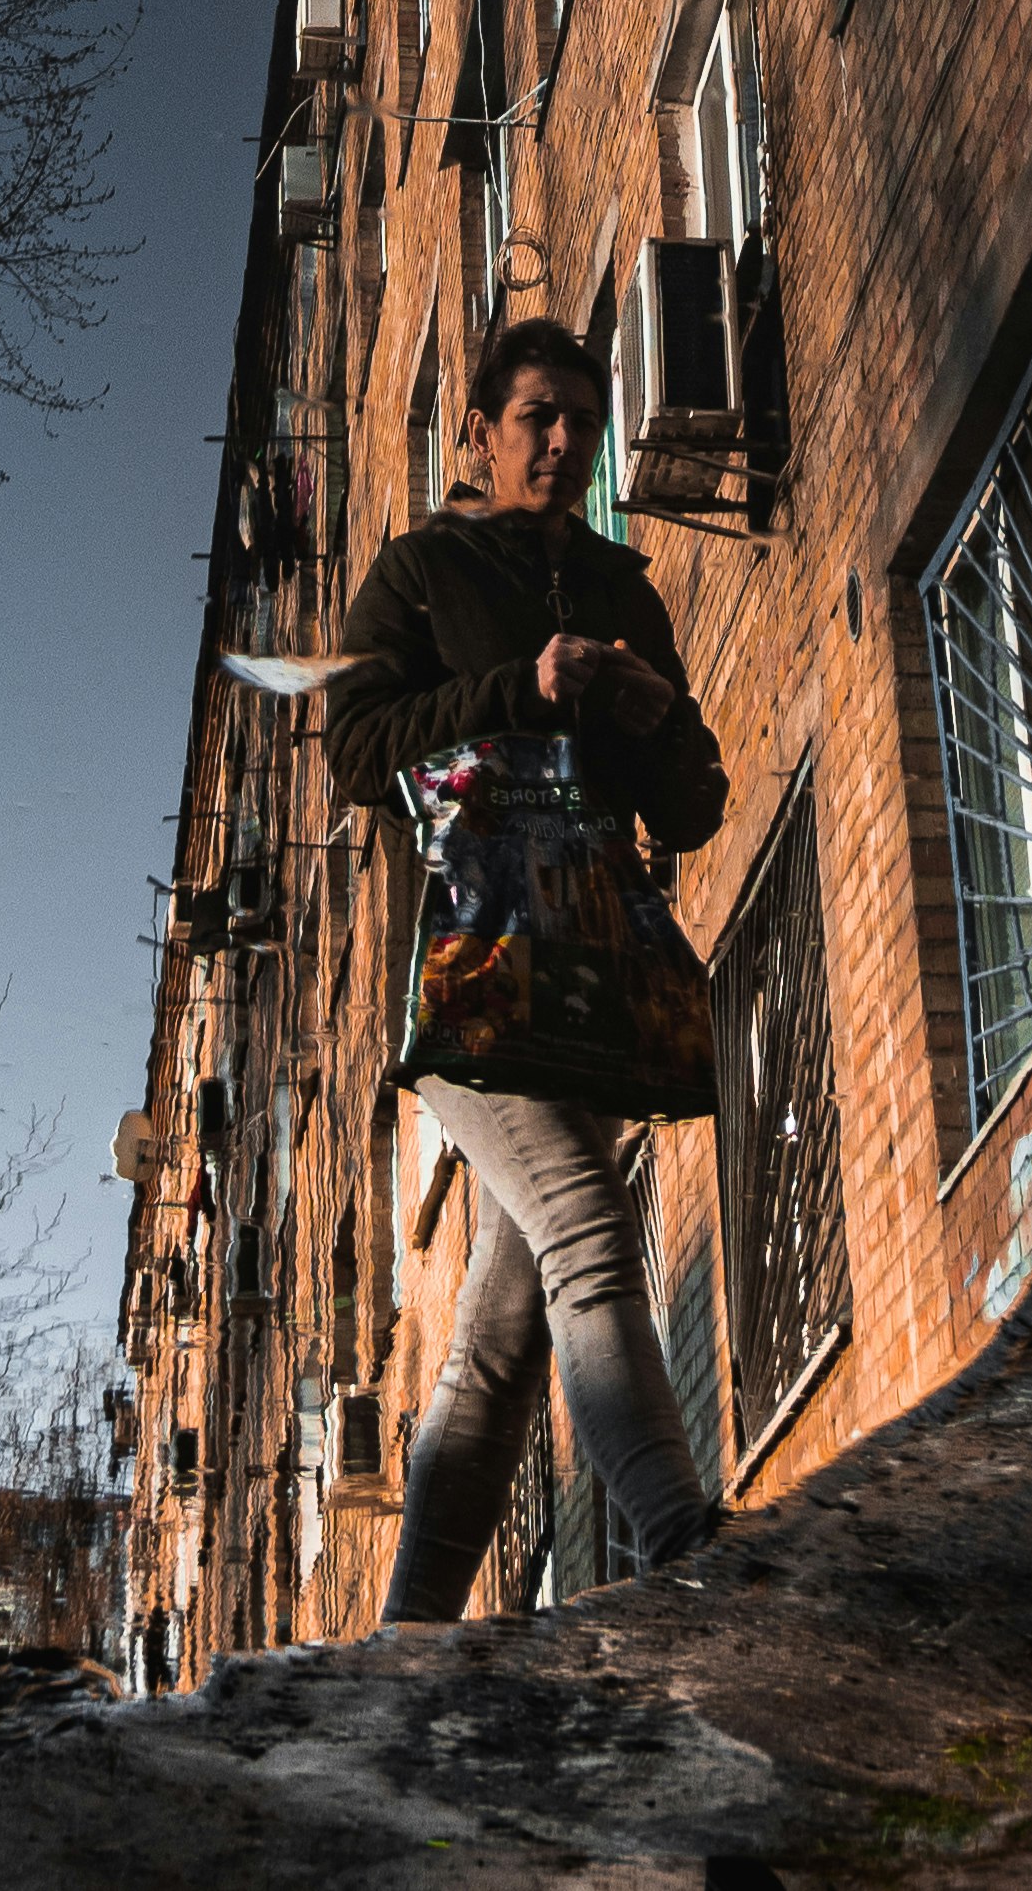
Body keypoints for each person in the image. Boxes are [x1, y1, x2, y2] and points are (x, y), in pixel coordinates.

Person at [322, 317, 730, 1620]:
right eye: (536, 416)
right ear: (486, 435)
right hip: (477, 980)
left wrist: (658, 727)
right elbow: (355, 746)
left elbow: (702, 802)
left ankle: (409, 1636)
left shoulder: (624, 586)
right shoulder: (423, 570)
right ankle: (680, 1533)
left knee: (498, 1346)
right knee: (590, 1227)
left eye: (580, 419)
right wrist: (521, 686)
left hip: (589, 998)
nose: (562, 441)